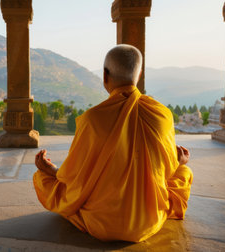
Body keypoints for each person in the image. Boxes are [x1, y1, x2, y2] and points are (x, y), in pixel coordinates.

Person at [33, 44, 193, 242]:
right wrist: (179, 163)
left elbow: (74, 178)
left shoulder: (93, 119)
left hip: (100, 223)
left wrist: (51, 170)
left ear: (105, 75)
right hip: (148, 222)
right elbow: (166, 172)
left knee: (42, 179)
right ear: (140, 74)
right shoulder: (162, 115)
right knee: (185, 173)